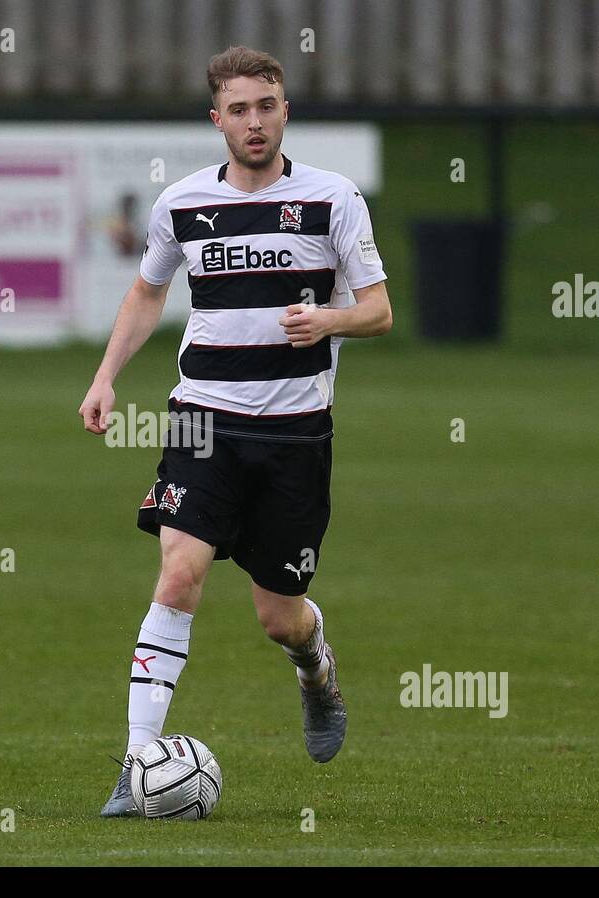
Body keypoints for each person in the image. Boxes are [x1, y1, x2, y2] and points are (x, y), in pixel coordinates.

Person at [77, 46, 393, 817]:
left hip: (295, 435)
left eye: (268, 106)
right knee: (179, 572)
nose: (255, 122)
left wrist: (328, 317)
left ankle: (314, 665)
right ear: (216, 118)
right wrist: (105, 375)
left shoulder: (333, 199)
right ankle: (134, 764)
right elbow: (148, 294)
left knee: (277, 614)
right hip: (204, 422)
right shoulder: (182, 203)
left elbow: (380, 311)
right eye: (239, 109)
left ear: (286, 111)